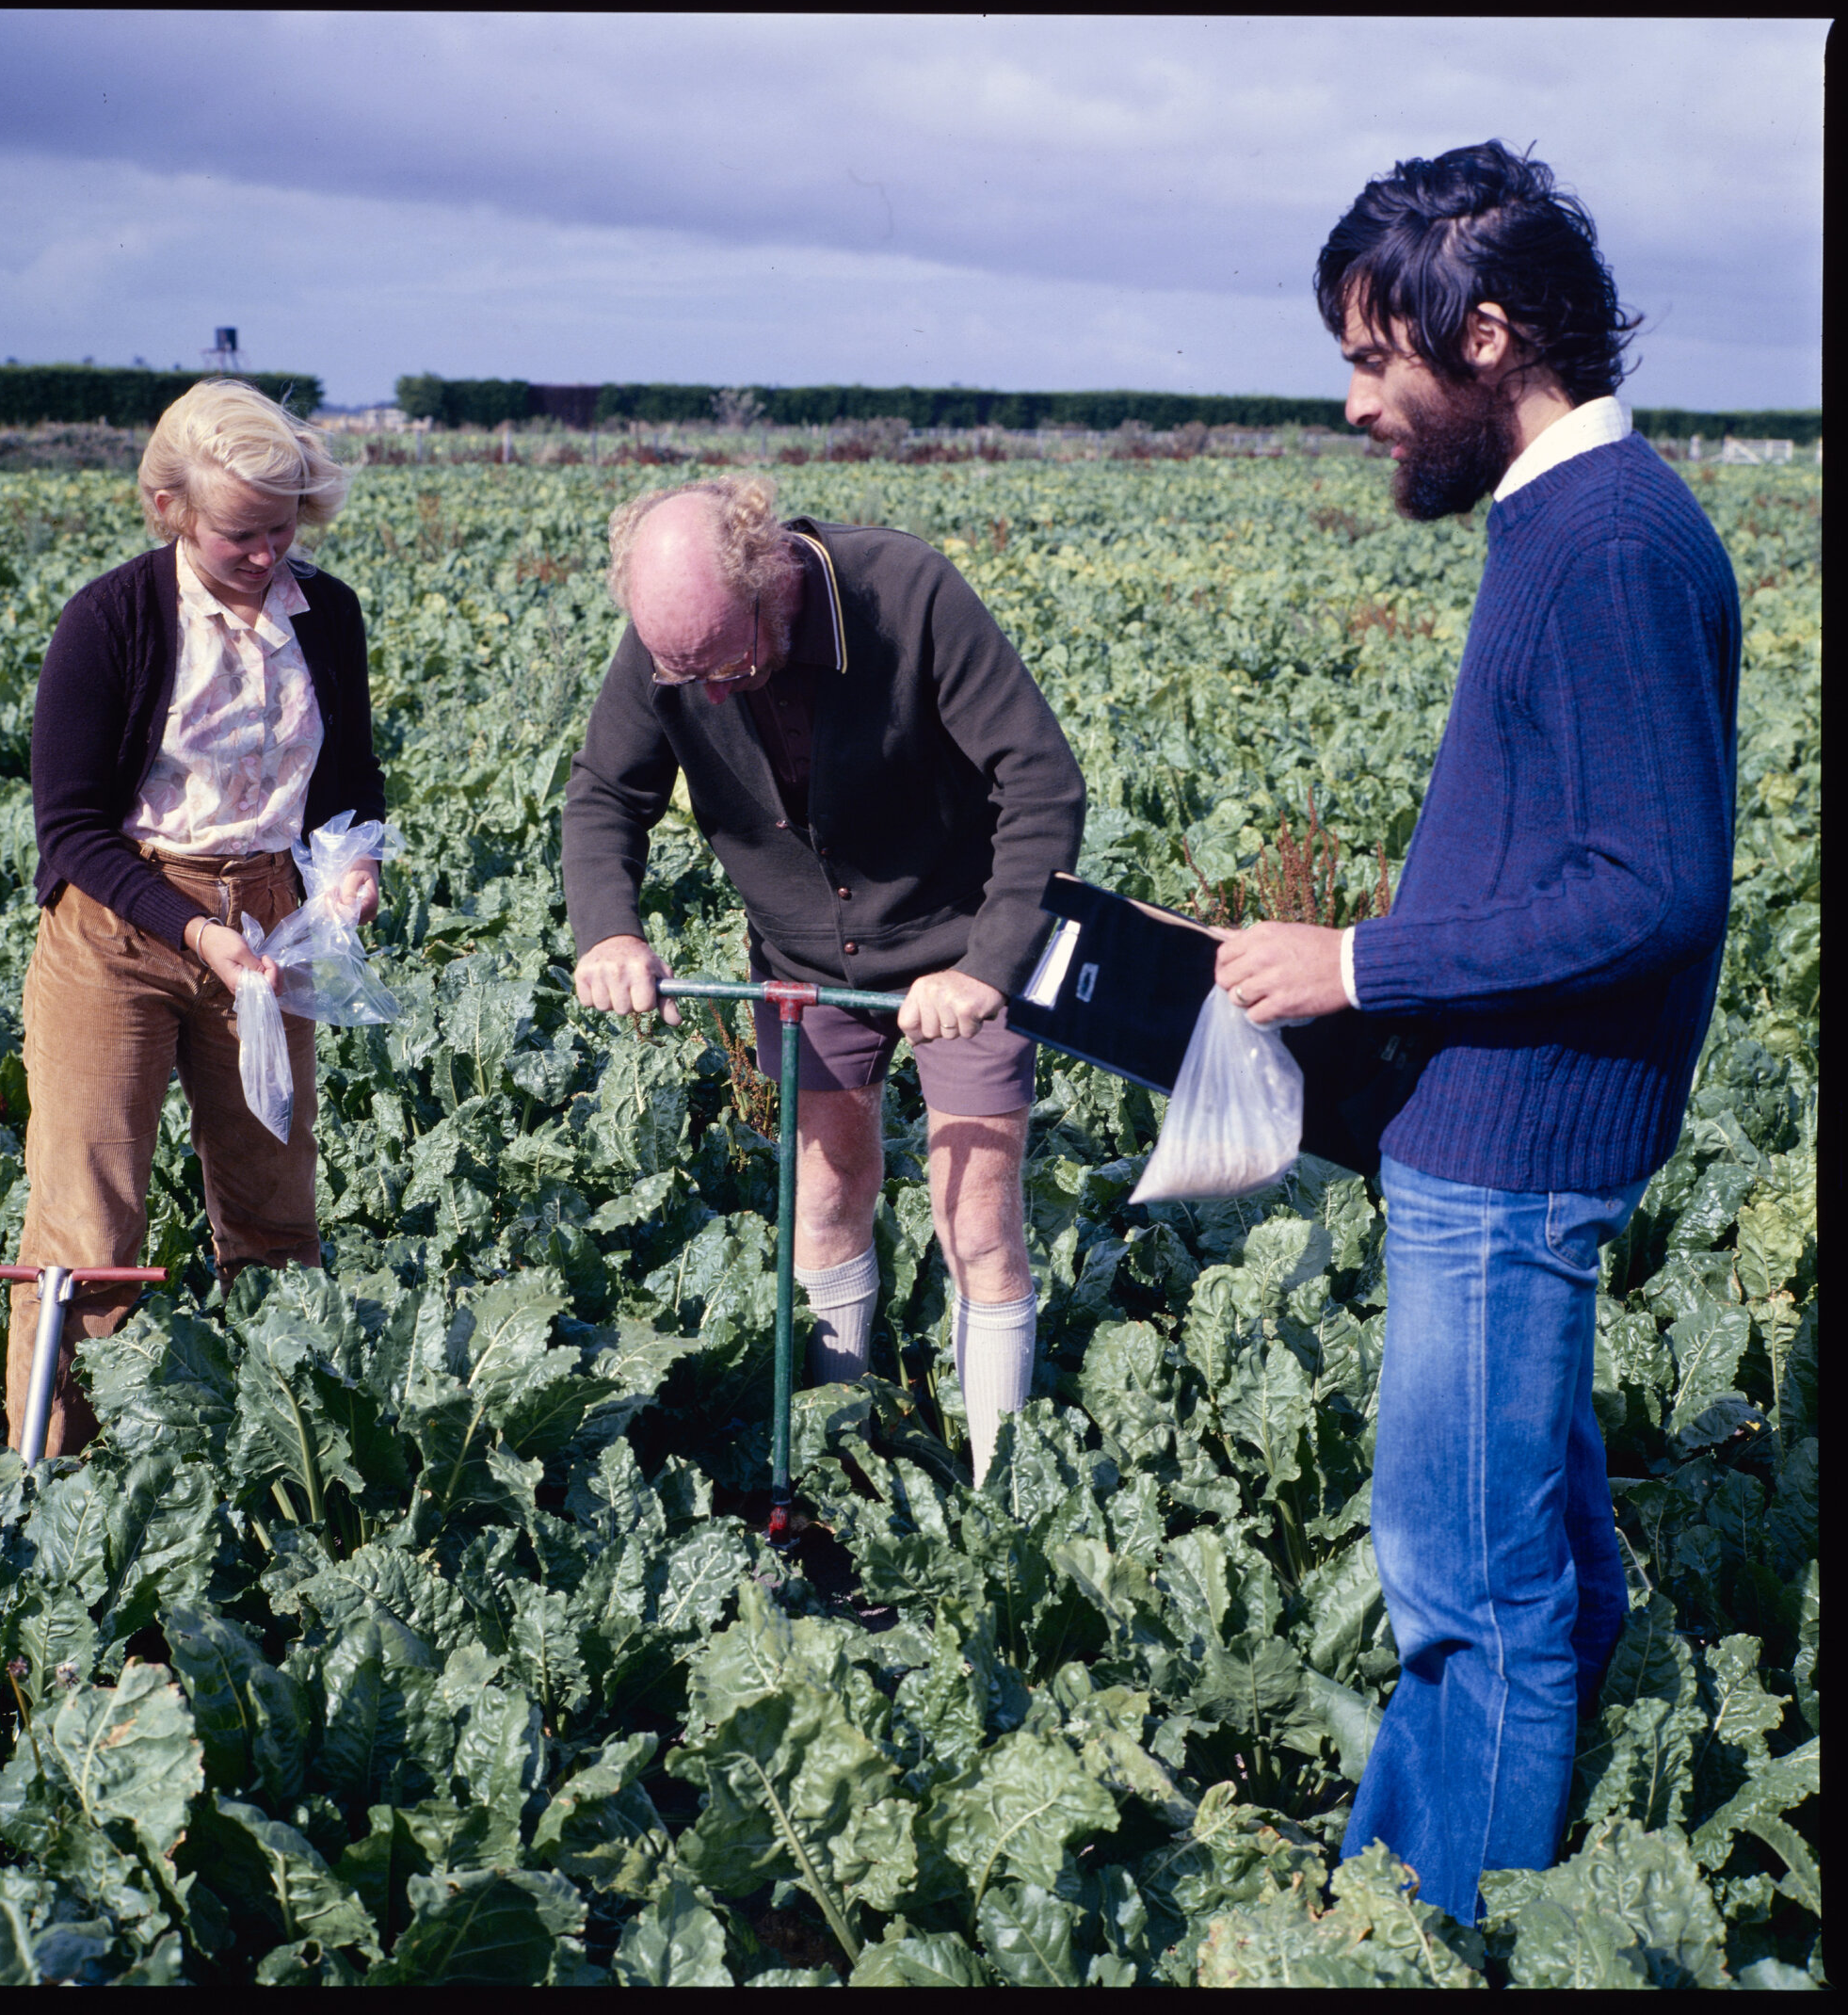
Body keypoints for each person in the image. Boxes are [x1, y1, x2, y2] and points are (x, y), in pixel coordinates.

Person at [1213, 142, 1740, 1923]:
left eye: (1378, 357)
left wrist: (1359, 967)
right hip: (1486, 1131)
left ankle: (1434, 1940)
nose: (1359, 402)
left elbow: (1648, 889)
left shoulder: (1606, 542)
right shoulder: (1573, 522)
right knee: (1535, 1572)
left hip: (1516, 1157)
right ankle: (1401, 1887)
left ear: (1489, 335)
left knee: (1472, 1590)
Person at [562, 475, 1085, 1482]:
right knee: (825, 1191)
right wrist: (609, 933)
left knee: (975, 1209)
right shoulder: (673, 642)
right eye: (685, 674)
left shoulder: (908, 592)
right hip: (804, 955)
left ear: (770, 577)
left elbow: (1040, 781)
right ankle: (839, 1464)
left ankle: (1001, 1490)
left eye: (725, 660)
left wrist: (987, 966)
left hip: (957, 937)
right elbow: (604, 792)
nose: (707, 691)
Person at [11, 378, 387, 1457]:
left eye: (282, 530)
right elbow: (72, 831)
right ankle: (57, 1475)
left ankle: (273, 1458)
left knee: (274, 1207)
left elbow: (351, 780)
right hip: (121, 925)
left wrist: (351, 869)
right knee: (89, 1223)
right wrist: (195, 933)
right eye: (240, 537)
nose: (268, 557)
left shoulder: (330, 614)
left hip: (268, 922)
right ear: (171, 507)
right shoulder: (110, 621)